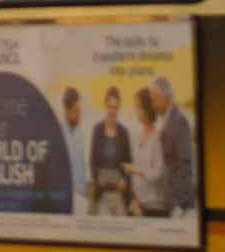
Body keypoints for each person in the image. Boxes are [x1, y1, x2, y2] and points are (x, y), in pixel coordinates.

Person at [151, 75, 197, 214]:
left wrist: (179, 203)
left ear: (164, 98)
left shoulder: (179, 121)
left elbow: (185, 165)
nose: (152, 104)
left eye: (154, 99)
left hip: (179, 206)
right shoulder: (168, 120)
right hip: (171, 201)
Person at [123, 87, 169, 217]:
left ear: (148, 109)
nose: (135, 110)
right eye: (135, 106)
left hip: (155, 206)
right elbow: (135, 176)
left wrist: (134, 169)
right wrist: (135, 199)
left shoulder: (159, 137)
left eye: (138, 107)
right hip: (138, 205)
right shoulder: (137, 136)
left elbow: (157, 174)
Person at [87, 85, 131, 216]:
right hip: (102, 195)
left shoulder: (124, 133)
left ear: (119, 108)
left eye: (115, 107)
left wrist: (125, 179)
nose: (112, 110)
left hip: (120, 195)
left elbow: (129, 162)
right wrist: (96, 178)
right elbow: (92, 161)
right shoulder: (97, 130)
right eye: (110, 106)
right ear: (105, 106)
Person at [60, 86, 88, 206]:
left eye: (79, 110)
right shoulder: (58, 134)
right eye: (76, 111)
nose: (79, 114)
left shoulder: (80, 133)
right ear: (67, 110)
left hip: (80, 198)